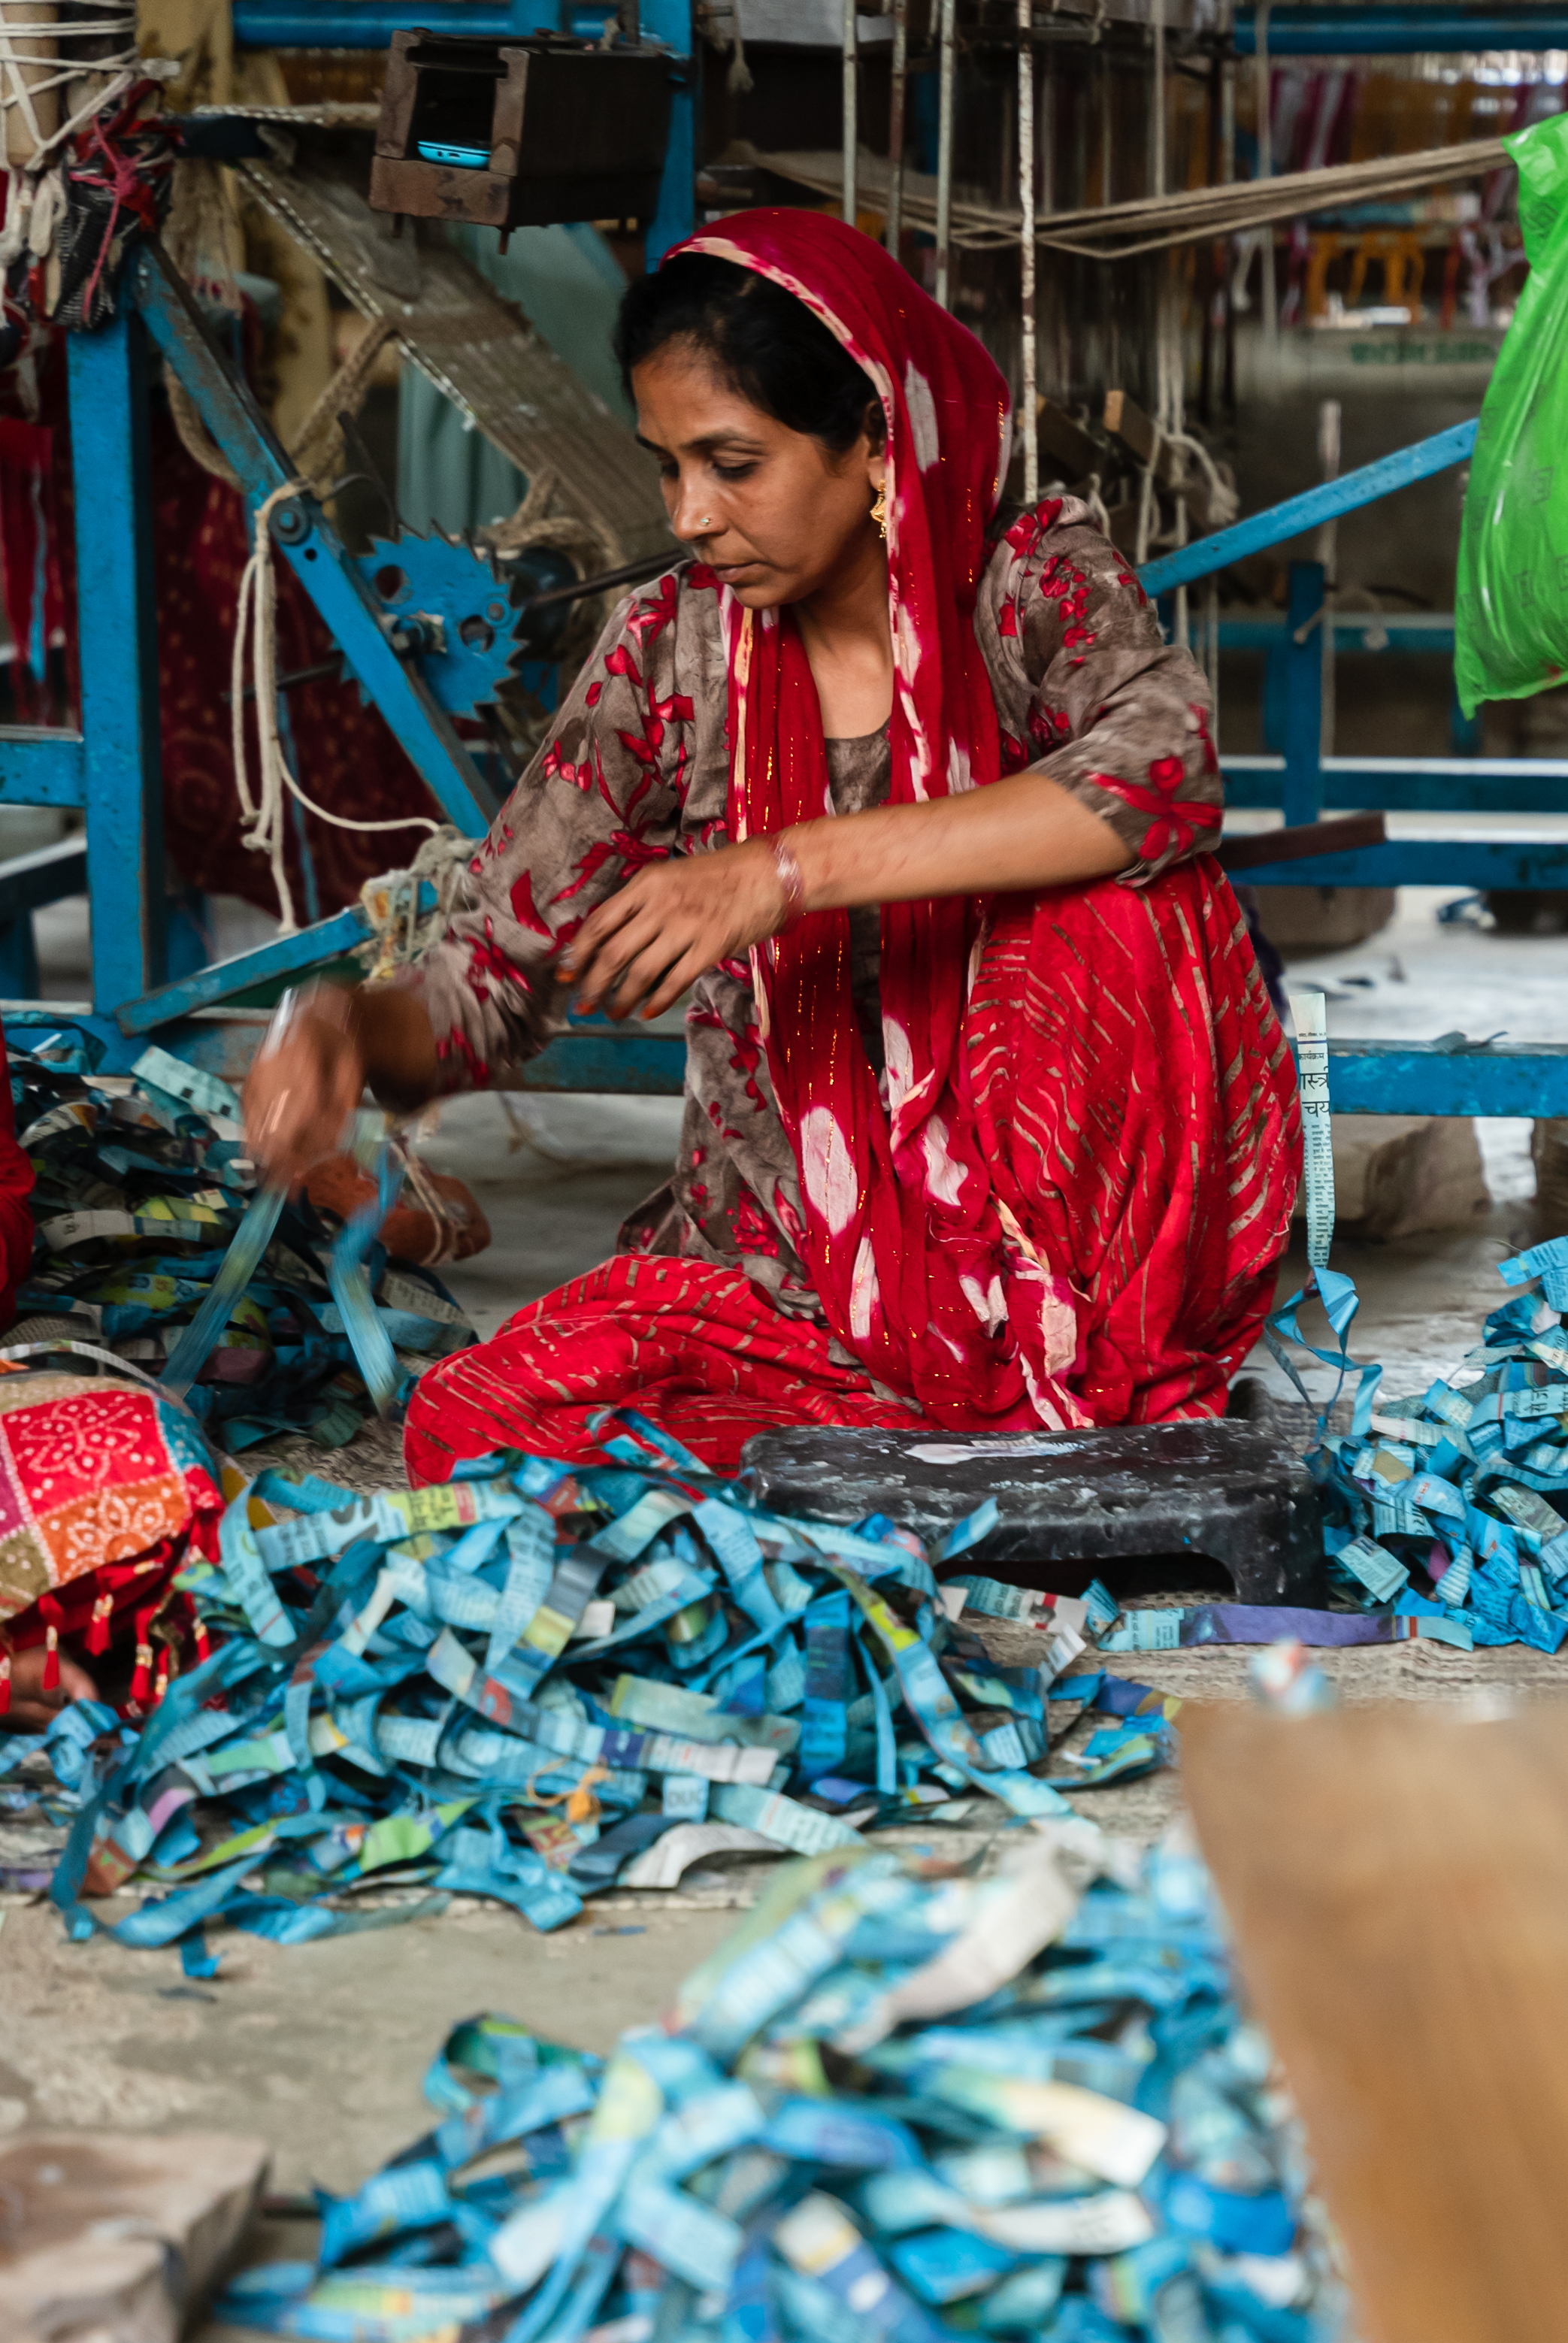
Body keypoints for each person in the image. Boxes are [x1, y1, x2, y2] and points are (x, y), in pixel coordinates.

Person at [244, 210, 1300, 1480]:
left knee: (1122, 903)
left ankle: (1044, 1361)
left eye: (733, 464)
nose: (690, 514)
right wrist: (349, 1034)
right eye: (666, 466)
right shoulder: (672, 652)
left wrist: (785, 869)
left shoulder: (1020, 581)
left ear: (871, 441)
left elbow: (1165, 766)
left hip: (1052, 1243)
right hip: (796, 1258)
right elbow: (490, 977)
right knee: (482, 1421)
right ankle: (925, 1409)